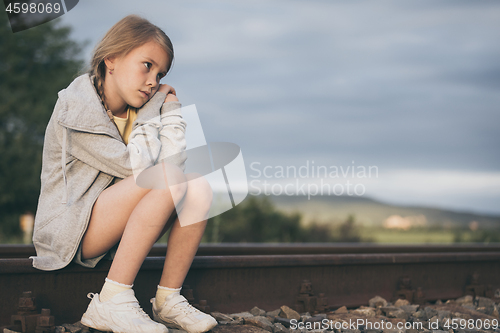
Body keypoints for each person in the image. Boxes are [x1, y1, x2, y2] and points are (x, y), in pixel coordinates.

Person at [30, 15, 217, 333]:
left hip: (106, 219)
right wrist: (158, 111)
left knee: (198, 186)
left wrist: (167, 110)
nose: (153, 82)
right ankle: (111, 301)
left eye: (160, 74)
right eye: (147, 66)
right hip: (70, 229)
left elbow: (174, 167)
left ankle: (167, 300)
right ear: (111, 59)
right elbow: (142, 170)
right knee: (169, 177)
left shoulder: (134, 110)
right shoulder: (76, 109)